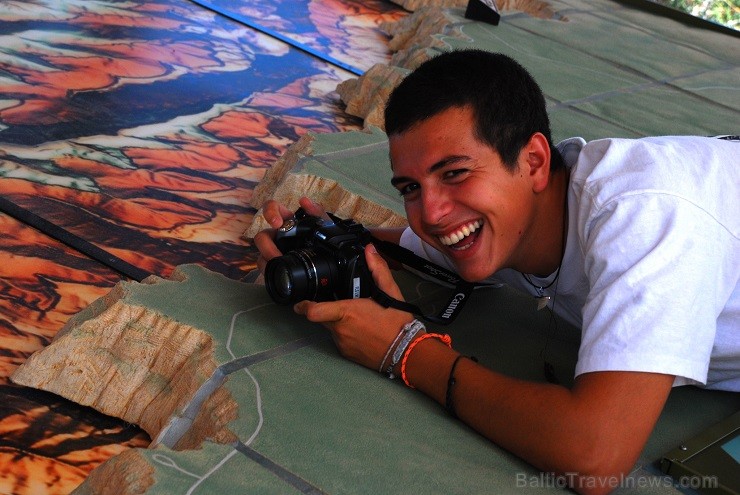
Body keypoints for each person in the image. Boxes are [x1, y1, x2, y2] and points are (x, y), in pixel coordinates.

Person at [254, 49, 739, 495]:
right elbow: (404, 244)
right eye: (410, 187)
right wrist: (323, 251)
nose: (433, 214)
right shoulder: (518, 216)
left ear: (533, 162)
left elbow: (594, 453)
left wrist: (407, 352)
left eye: (455, 173)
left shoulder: (646, 217)